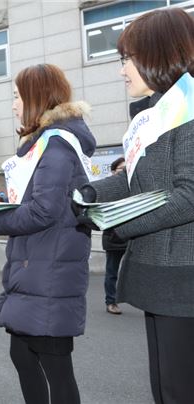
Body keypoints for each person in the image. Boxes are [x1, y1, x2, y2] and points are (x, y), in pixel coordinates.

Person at [76, 9, 194, 404]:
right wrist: (88, 193)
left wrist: (119, 224)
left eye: (126, 58)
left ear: (157, 54)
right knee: (165, 387)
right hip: (159, 272)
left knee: (179, 389)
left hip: (184, 276)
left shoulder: (188, 109)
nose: (122, 70)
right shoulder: (154, 113)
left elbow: (189, 196)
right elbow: (133, 179)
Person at [0, 64, 96, 404]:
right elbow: (40, 199)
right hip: (36, 268)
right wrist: (2, 203)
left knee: (55, 366)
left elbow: (44, 210)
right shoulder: (45, 144)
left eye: (17, 97)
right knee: (23, 356)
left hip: (49, 270)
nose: (14, 105)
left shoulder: (57, 145)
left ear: (37, 98)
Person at [102, 157, 127, 315]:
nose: (124, 172)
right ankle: (111, 302)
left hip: (134, 234)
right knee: (112, 271)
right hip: (114, 235)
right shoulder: (107, 187)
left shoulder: (134, 185)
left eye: (126, 169)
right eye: (121, 169)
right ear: (113, 171)